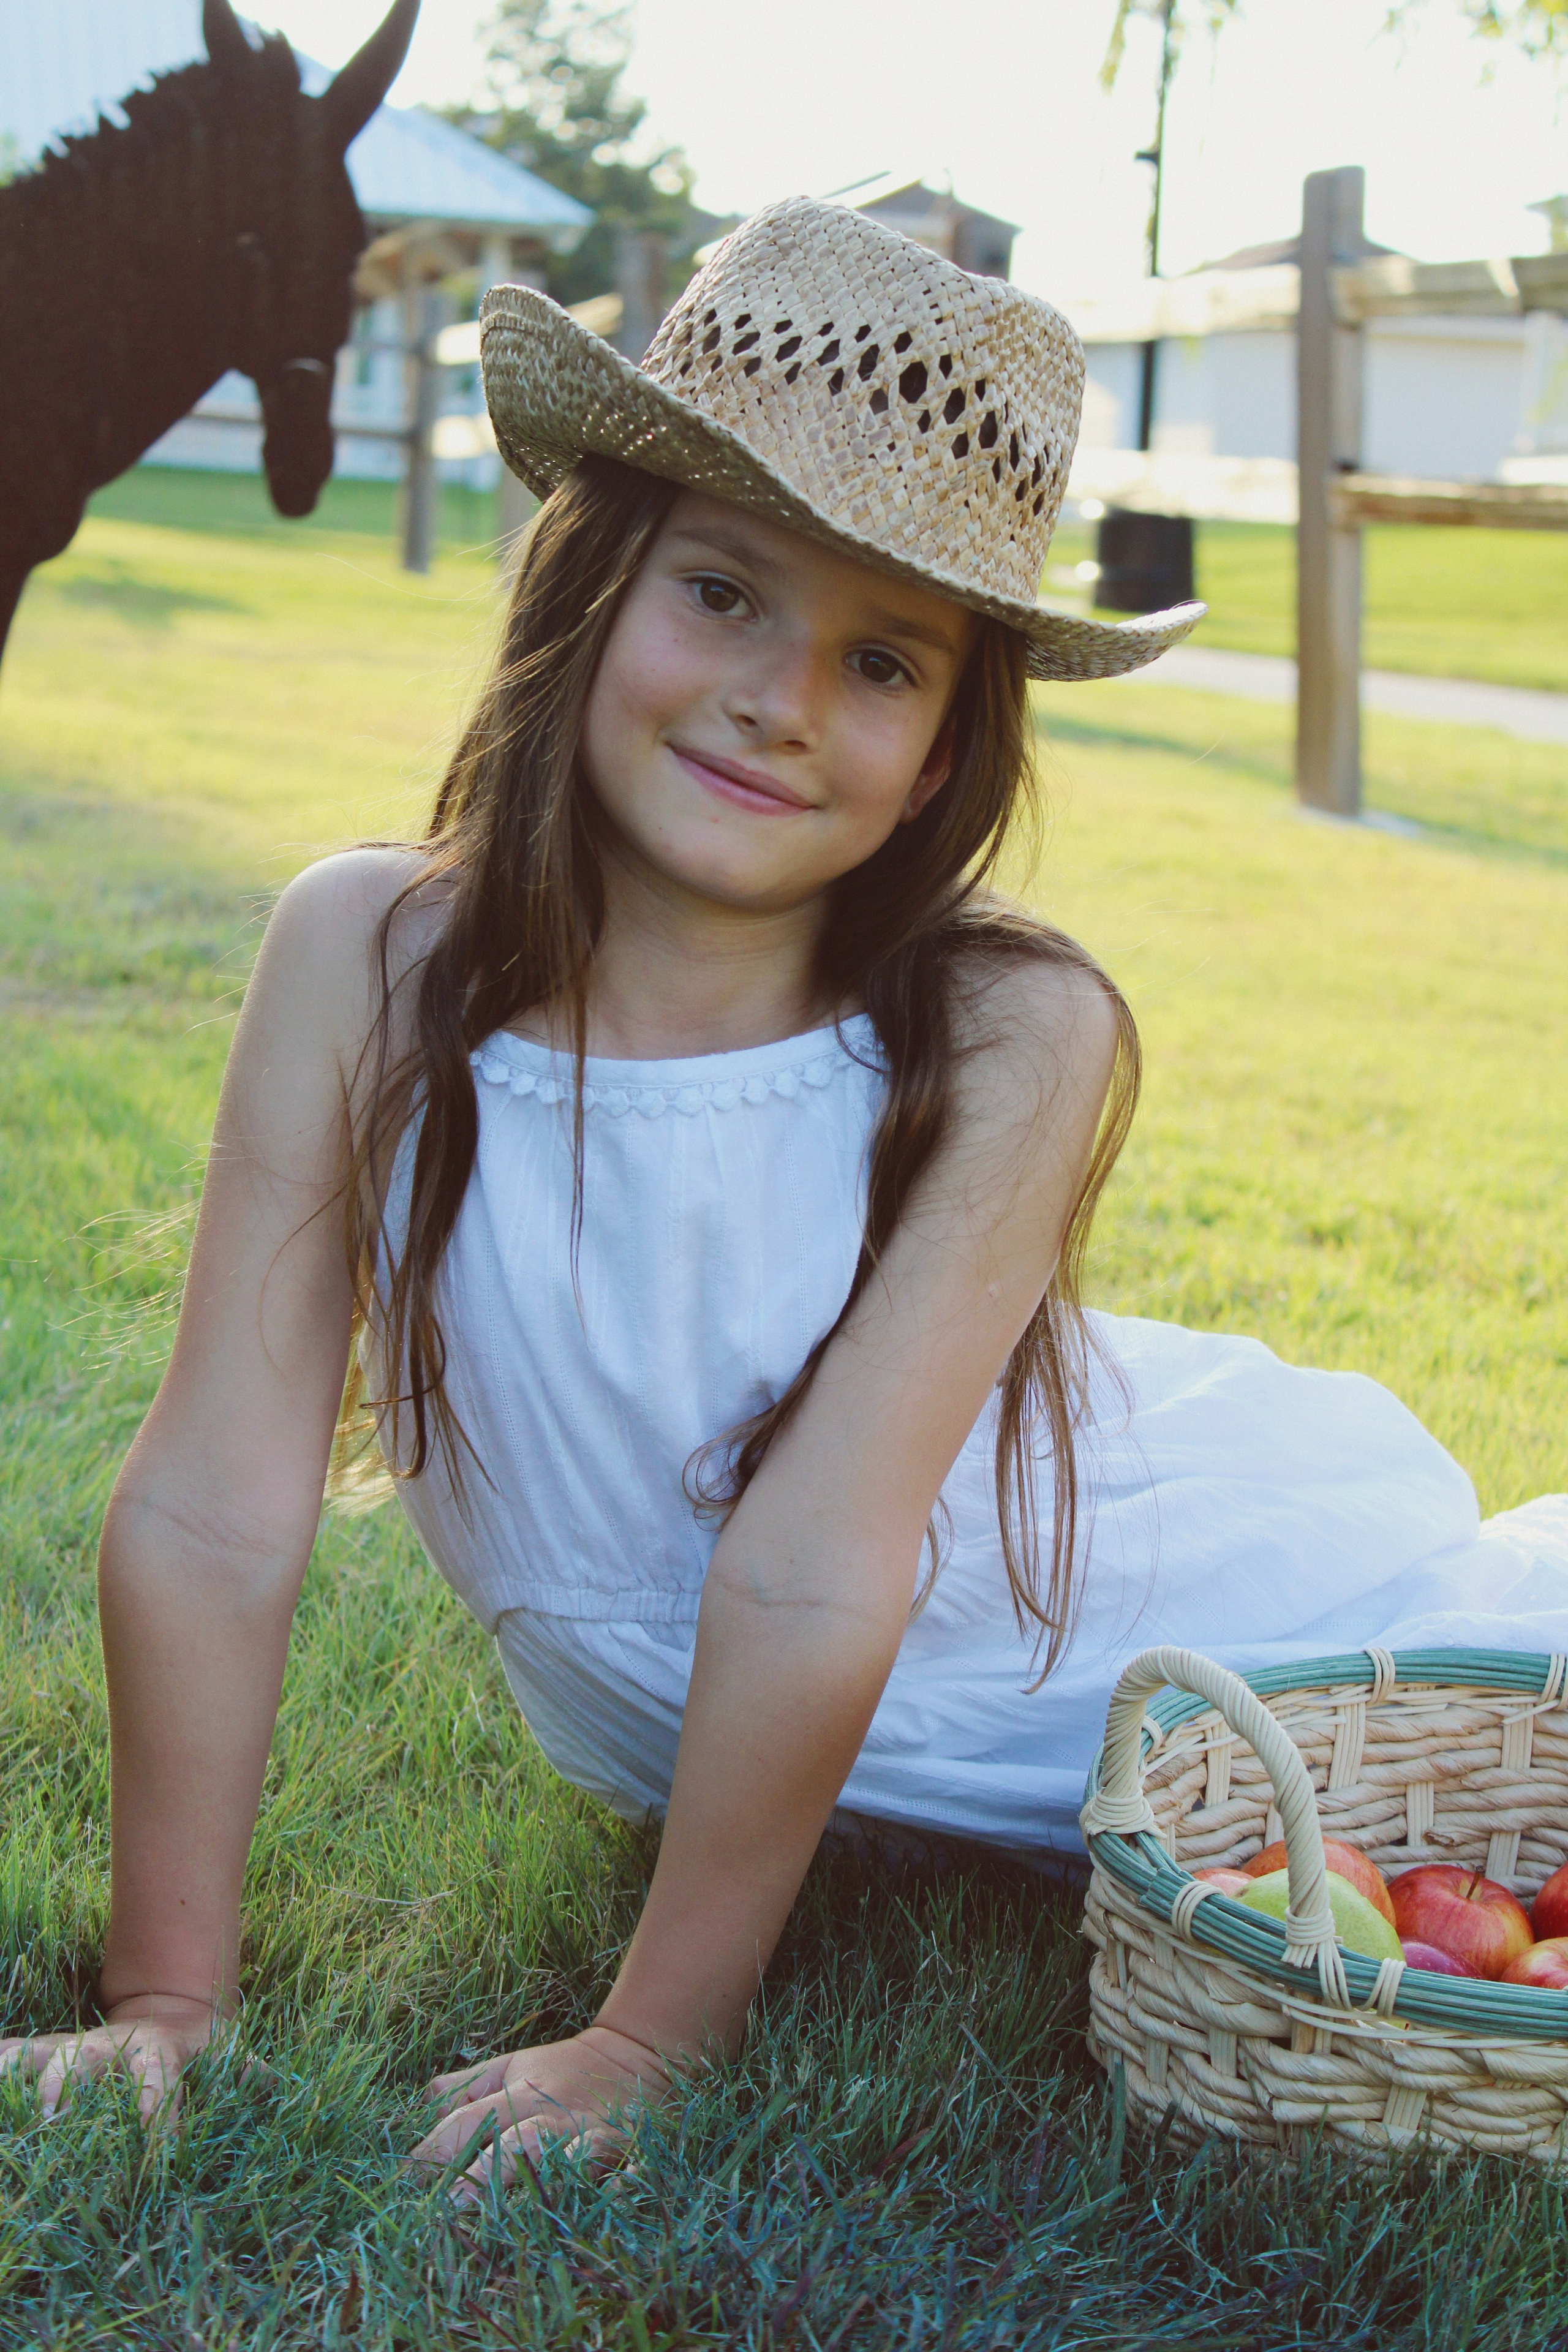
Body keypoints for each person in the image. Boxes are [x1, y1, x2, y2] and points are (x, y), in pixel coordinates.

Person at [6, 198, 1564, 2190]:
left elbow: (826, 1560)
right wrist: (165, 1999)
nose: (781, 697)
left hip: (1073, 1628)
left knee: (1491, 1718)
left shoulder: (1013, 1029)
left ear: (938, 759)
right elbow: (219, 1504)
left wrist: (658, 2028)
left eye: (883, 658)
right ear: (587, 590)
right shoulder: (363, 955)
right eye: (722, 593)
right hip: (711, 1688)